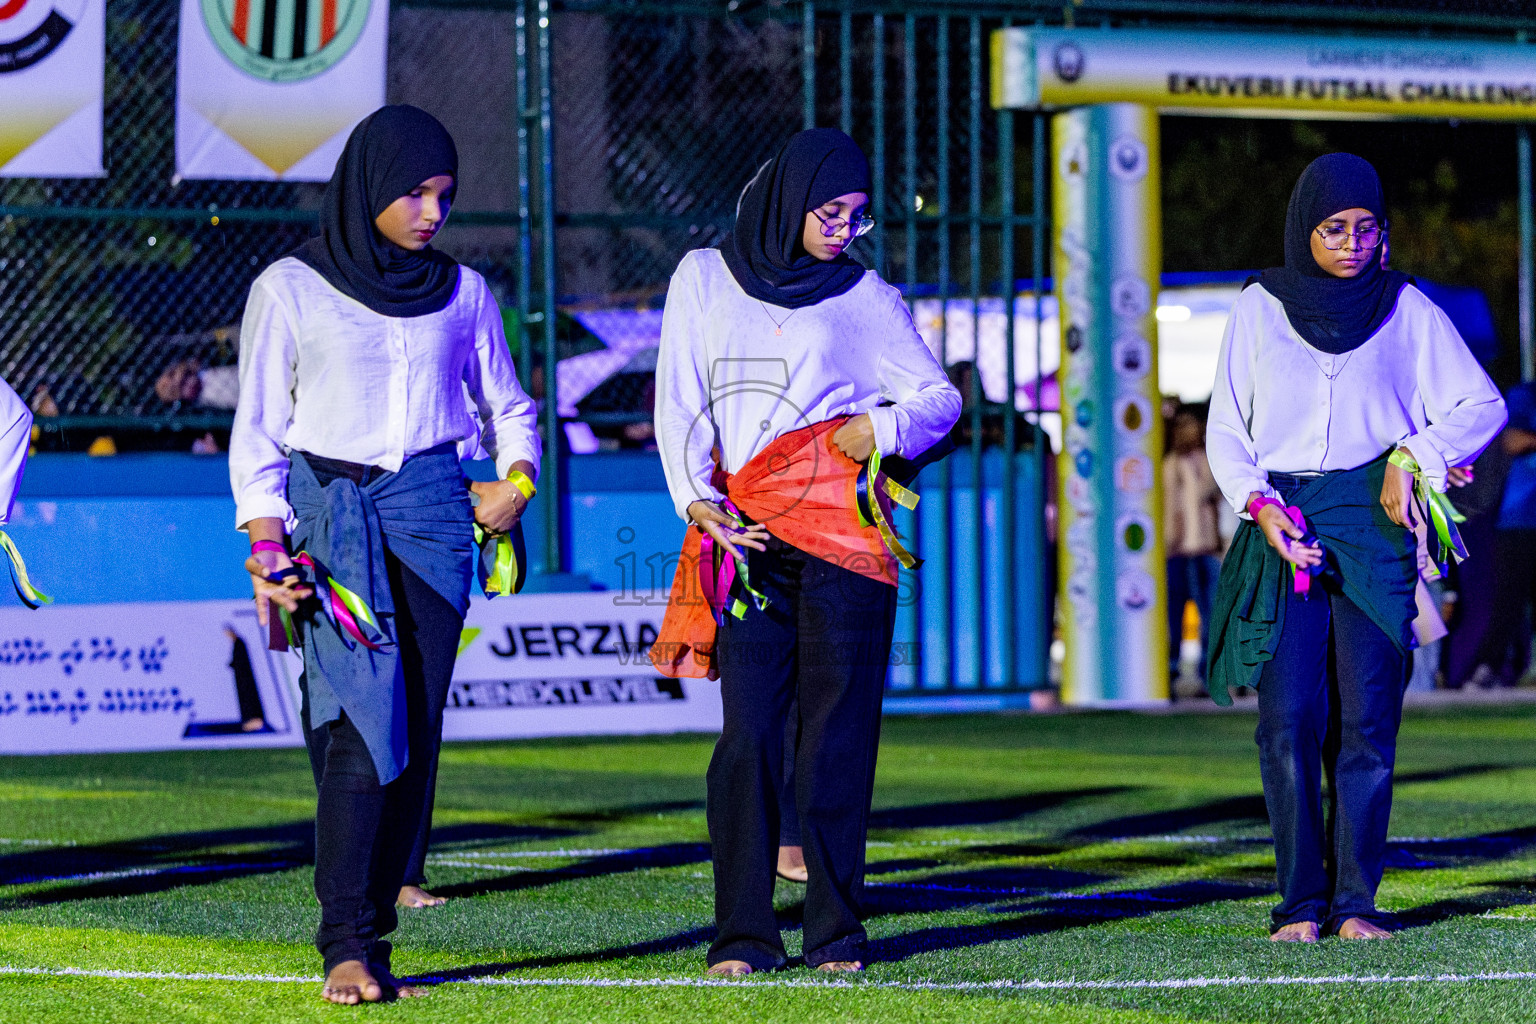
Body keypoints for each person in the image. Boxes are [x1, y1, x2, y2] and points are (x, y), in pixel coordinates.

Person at [230, 105, 539, 1004]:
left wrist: (514, 483)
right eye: (414, 191)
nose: (432, 211)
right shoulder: (290, 287)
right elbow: (260, 430)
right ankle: (347, 942)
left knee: (416, 728)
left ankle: (377, 922)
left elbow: (510, 405)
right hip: (330, 524)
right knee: (360, 726)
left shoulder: (464, 292)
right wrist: (265, 537)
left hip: (437, 519)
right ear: (369, 184)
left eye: (444, 194)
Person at [652, 128, 960, 975]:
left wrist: (884, 426)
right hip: (744, 531)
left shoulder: (867, 297)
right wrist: (696, 500)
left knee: (837, 738)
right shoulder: (702, 278)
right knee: (748, 734)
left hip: (849, 537)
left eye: (859, 216)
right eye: (831, 211)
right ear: (789, 198)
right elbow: (678, 401)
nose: (844, 230)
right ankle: (742, 936)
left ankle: (836, 933)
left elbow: (941, 399)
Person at [1205, 153, 1504, 944]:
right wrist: (1258, 504)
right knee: (1288, 717)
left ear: (1384, 234)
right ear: (1305, 228)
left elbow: (1481, 403)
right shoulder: (1259, 307)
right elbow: (1227, 427)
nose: (1351, 243)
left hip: (1375, 526)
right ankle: (1299, 904)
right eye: (1333, 228)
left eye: (1366, 229)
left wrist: (1417, 457)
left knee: (1369, 721)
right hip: (1285, 519)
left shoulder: (1408, 306)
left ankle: (1355, 904)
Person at [1462, 380, 1536, 687]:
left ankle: (1524, 668)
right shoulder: (1525, 396)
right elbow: (1513, 440)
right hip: (1520, 519)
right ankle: (1484, 671)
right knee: (1509, 600)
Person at [1163, 404, 1223, 692]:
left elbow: (1211, 490)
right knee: (1174, 617)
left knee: (1209, 614)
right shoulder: (1169, 464)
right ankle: (1172, 672)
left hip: (1205, 547)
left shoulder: (1209, 461)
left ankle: (1206, 675)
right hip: (1177, 550)